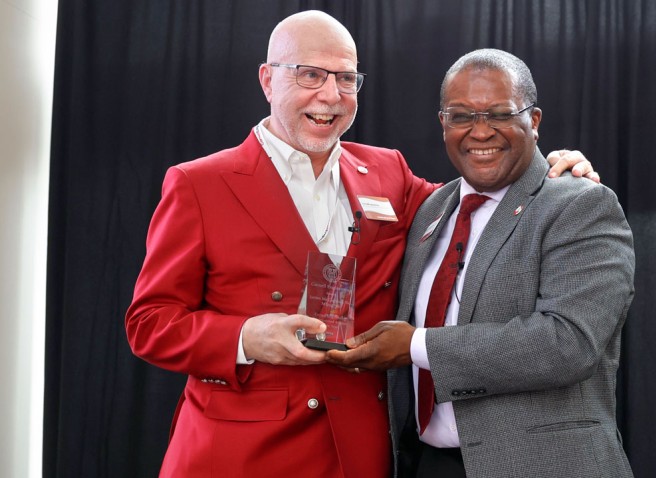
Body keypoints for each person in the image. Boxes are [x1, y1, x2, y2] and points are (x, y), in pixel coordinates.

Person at [125, 10, 598, 478]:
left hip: (359, 450)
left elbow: (480, 199)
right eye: (310, 75)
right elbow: (149, 323)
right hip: (240, 452)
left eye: (346, 79)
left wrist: (549, 169)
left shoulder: (388, 171)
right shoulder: (199, 184)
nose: (330, 95)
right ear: (268, 80)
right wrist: (247, 338)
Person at [326, 48, 635, 478]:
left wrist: (416, 346)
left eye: (500, 114)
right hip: (429, 463)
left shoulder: (579, 205)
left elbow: (568, 343)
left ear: (535, 121)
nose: (481, 131)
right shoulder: (433, 209)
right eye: (461, 115)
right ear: (443, 124)